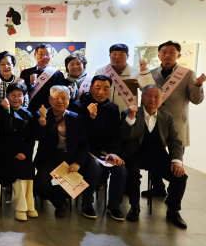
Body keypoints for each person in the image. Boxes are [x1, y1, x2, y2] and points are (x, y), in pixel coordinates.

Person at [139, 41, 204, 197]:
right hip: (155, 122)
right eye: (164, 52)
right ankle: (158, 188)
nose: (167, 55)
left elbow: (196, 100)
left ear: (178, 55)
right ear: (159, 55)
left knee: (176, 158)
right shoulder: (151, 73)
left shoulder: (187, 74)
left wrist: (197, 86)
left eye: (172, 52)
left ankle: (174, 190)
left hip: (177, 123)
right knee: (154, 154)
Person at [121, 85, 187, 228]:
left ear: (161, 99)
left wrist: (177, 161)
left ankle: (173, 211)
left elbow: (174, 140)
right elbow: (125, 137)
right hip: (135, 154)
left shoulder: (167, 117)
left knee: (180, 176)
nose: (152, 99)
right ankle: (135, 207)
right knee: (132, 172)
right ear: (142, 97)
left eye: (157, 96)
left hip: (157, 155)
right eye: (149, 96)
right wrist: (131, 118)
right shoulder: (129, 113)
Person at [33, 86, 100, 218]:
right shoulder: (41, 115)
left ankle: (58, 198)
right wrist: (42, 121)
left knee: (75, 187)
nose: (60, 101)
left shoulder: (75, 118)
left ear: (69, 100)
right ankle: (59, 204)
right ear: (49, 100)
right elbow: (38, 137)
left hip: (70, 156)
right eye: (56, 98)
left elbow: (85, 144)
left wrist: (78, 162)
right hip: (50, 157)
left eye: (64, 98)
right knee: (41, 182)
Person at [70, 75, 127, 221]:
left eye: (106, 88)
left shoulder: (113, 108)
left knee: (120, 169)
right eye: (98, 88)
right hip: (85, 150)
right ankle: (87, 203)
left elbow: (117, 134)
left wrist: (113, 153)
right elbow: (78, 134)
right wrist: (91, 117)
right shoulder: (78, 105)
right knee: (94, 167)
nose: (101, 92)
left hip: (105, 151)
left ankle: (113, 206)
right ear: (90, 88)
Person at [0, 83, 38, 221]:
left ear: (24, 97)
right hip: (5, 154)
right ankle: (20, 208)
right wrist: (7, 110)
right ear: (7, 96)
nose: (16, 98)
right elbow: (4, 133)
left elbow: (31, 138)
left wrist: (24, 153)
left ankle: (29, 206)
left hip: (22, 154)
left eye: (20, 95)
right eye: (13, 95)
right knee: (18, 169)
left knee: (28, 168)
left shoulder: (27, 114)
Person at [94, 43, 151, 113]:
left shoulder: (136, 72)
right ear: (109, 56)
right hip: (104, 113)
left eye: (121, 54)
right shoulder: (101, 71)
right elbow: (94, 91)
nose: (117, 57)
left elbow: (147, 89)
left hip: (128, 113)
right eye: (114, 54)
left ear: (127, 56)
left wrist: (144, 72)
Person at [19, 43, 67, 112]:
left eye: (47, 54)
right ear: (35, 55)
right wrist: (30, 84)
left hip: (49, 111)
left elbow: (60, 94)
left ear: (52, 56)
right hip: (28, 110)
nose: (44, 57)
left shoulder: (58, 75)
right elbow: (20, 92)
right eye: (41, 54)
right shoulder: (25, 73)